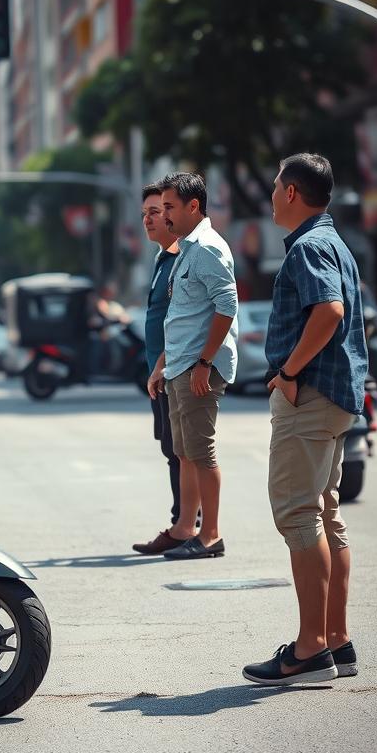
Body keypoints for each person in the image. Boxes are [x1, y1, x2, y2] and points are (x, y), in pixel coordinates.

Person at [243, 154, 368, 686]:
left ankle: (310, 648)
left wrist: (289, 371)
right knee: (325, 515)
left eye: (275, 185)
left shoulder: (309, 247)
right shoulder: (334, 242)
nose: (271, 194)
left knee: (298, 517)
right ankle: (336, 641)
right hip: (337, 397)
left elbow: (329, 311)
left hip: (312, 397)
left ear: (292, 192)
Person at [147, 172, 238, 560]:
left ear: (193, 206)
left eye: (169, 207)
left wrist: (204, 362)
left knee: (202, 453)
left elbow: (227, 306)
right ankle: (186, 528)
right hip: (180, 366)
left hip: (199, 368)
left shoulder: (207, 248)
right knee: (184, 453)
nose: (164, 215)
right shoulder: (185, 248)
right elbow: (183, 318)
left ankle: (211, 535)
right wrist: (162, 367)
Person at [132, 183, 185, 553]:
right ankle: (184, 521)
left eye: (156, 211)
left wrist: (164, 366)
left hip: (174, 372)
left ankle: (187, 524)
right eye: (145, 214)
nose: (149, 220)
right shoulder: (161, 259)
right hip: (159, 373)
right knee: (171, 449)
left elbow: (184, 320)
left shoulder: (183, 258)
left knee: (184, 451)